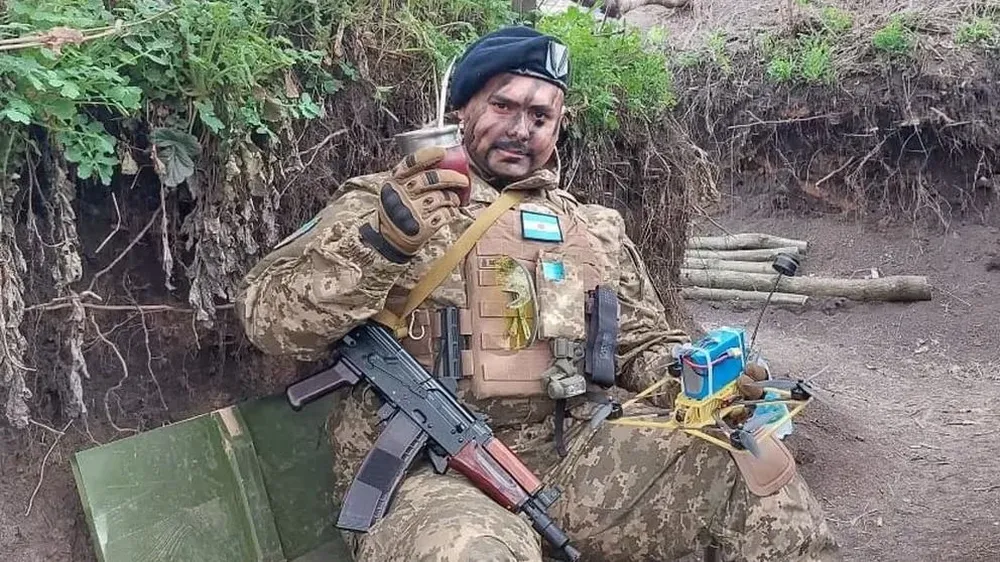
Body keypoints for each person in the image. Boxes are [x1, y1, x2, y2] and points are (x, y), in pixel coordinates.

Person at [235, 25, 840, 562]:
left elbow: (642, 342)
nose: (520, 129)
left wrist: (698, 374)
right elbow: (267, 320)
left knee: (755, 469)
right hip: (432, 473)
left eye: (541, 116)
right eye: (503, 105)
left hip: (577, 450)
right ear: (463, 107)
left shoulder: (593, 228)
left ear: (560, 126)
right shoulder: (387, 203)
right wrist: (381, 246)